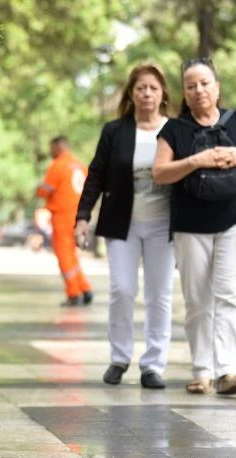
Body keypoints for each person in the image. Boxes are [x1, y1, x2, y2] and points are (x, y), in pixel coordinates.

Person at [153, 58, 236, 396]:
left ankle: (230, 371)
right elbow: (159, 173)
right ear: (184, 94)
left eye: (205, 83)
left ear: (217, 87)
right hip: (190, 226)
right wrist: (195, 162)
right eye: (191, 86)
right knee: (198, 301)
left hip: (234, 223)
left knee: (230, 296)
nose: (199, 90)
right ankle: (202, 371)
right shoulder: (174, 130)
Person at [75, 63, 176, 390]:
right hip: (123, 224)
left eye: (153, 88)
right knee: (122, 289)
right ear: (131, 95)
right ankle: (119, 358)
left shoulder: (176, 130)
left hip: (164, 225)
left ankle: (153, 365)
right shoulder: (115, 131)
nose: (147, 93)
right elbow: (96, 175)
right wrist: (82, 217)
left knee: (160, 295)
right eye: (140, 88)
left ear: (163, 94)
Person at [37, 136, 93, 306]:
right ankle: (84, 288)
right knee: (72, 256)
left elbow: (44, 191)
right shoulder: (80, 165)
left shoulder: (58, 165)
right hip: (79, 216)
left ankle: (73, 293)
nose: (50, 152)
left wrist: (38, 191)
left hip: (62, 216)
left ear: (58, 147)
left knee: (64, 256)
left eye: (51, 148)